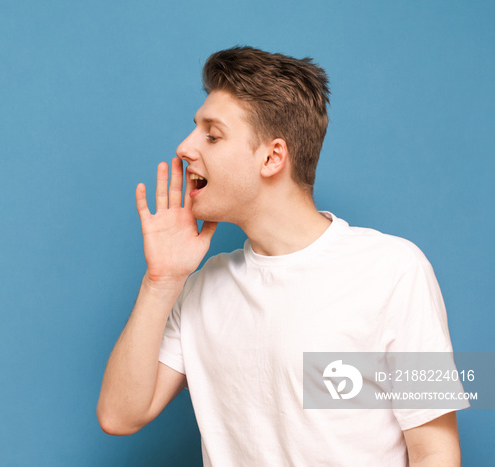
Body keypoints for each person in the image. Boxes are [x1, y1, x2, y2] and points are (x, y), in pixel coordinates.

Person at [97, 46, 464, 466]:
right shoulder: (201, 286)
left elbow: (436, 452)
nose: (184, 147)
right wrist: (160, 282)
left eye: (212, 135)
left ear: (272, 157)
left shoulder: (396, 269)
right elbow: (118, 416)